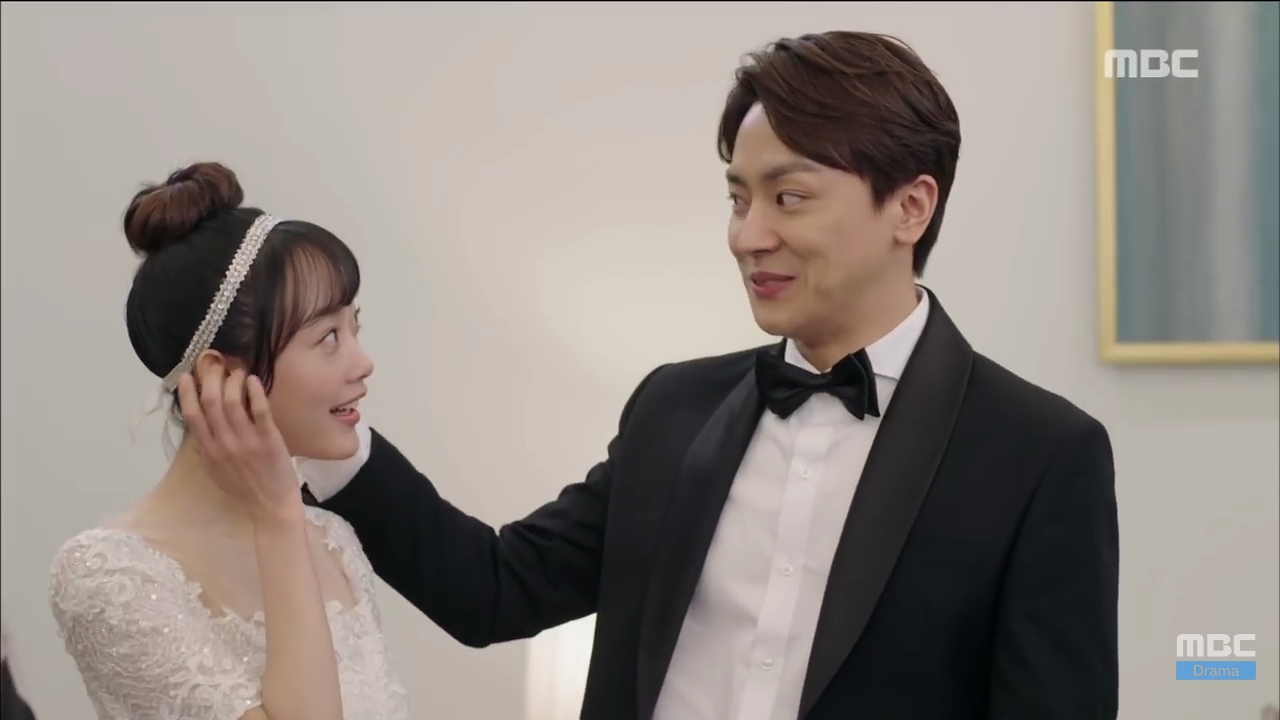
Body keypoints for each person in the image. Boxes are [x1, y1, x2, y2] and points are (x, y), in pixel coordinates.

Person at [197, 31, 1120, 720]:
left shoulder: (1041, 456)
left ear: (910, 207)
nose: (749, 234)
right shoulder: (675, 408)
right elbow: (493, 589)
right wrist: (327, 444)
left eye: (790, 197)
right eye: (738, 197)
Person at [46, 162, 410, 720]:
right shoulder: (108, 576)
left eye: (354, 327)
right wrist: (279, 517)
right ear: (220, 374)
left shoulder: (334, 543)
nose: (363, 363)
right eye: (328, 337)